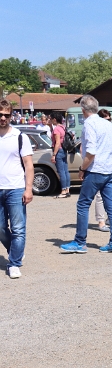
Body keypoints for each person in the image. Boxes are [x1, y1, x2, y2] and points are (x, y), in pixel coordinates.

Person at [61, 95, 112, 254]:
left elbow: (91, 152)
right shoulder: (107, 124)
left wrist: (82, 168)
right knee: (111, 207)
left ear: (83, 110)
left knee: (83, 204)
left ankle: (80, 241)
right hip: (109, 169)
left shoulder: (89, 124)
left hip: (96, 170)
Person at [0, 98, 34, 278]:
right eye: (0, 115)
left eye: (6, 115)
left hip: (15, 188)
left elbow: (29, 165)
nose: (3, 118)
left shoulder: (20, 137)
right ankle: (16, 250)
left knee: (18, 228)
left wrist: (28, 189)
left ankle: (14, 263)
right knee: (0, 228)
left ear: (11, 116)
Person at [50, 113, 70, 198]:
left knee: (61, 171)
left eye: (51, 119)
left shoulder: (56, 129)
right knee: (65, 171)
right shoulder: (63, 127)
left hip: (59, 150)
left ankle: (63, 191)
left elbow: (57, 143)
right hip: (64, 150)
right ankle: (67, 189)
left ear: (54, 119)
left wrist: (54, 155)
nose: (50, 120)